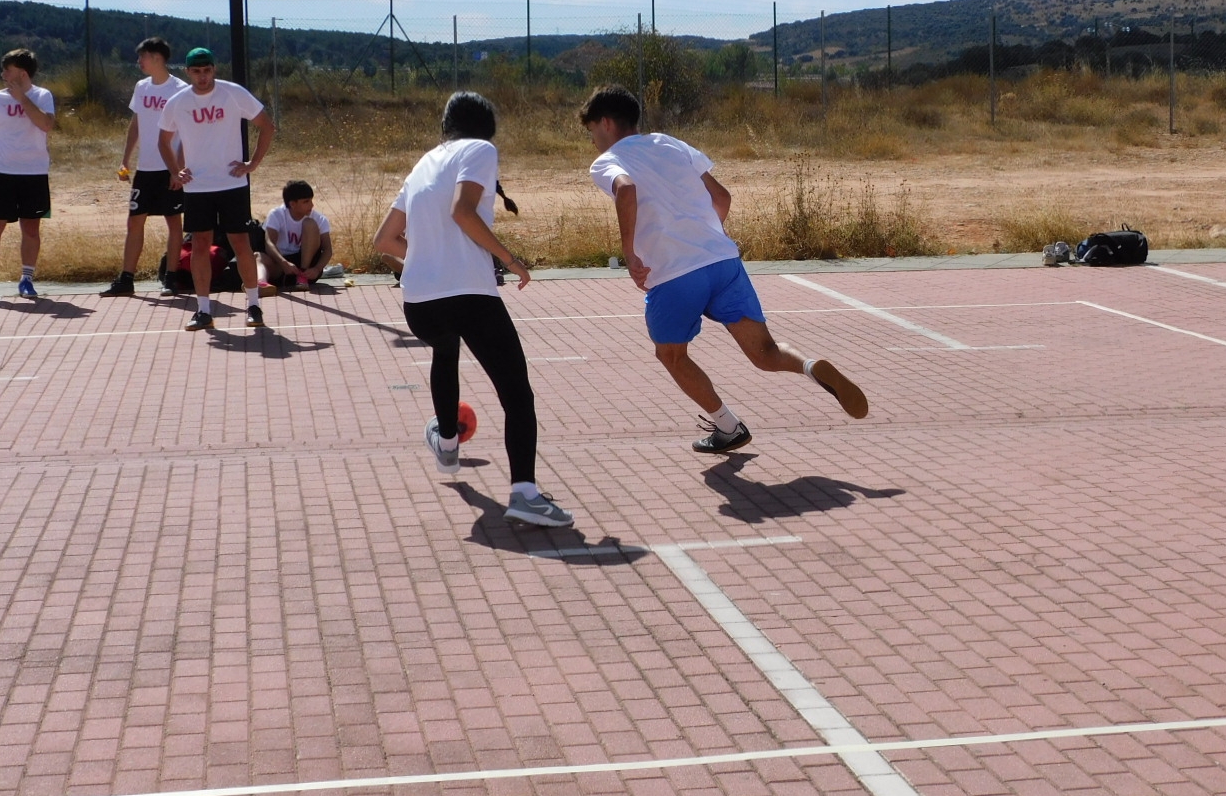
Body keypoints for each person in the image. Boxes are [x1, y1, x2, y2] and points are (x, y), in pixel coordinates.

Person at [580, 84, 868, 453]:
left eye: (591, 131)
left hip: (675, 274)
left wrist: (629, 253)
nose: (593, 141)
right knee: (765, 352)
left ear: (605, 123)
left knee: (671, 355)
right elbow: (721, 197)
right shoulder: (670, 143)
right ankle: (810, 367)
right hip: (723, 262)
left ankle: (728, 427)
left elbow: (626, 190)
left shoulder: (606, 161)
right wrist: (708, 235)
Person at [372, 91, 572, 528]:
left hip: (419, 304)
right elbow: (463, 212)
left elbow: (383, 240)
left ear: (446, 125)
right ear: (487, 127)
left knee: (445, 352)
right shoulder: (480, 149)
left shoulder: (424, 162)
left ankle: (447, 444)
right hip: (470, 296)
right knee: (516, 394)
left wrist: (427, 259)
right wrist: (509, 259)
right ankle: (525, 494)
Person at [156, 47, 275, 331]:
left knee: (241, 243)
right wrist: (175, 170)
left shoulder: (233, 93)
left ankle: (254, 305)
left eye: (207, 70)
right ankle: (203, 310)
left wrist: (252, 163)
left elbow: (267, 126)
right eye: (196, 71)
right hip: (197, 187)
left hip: (232, 182)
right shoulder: (177, 102)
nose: (202, 76)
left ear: (214, 70)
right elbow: (163, 140)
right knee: (200, 244)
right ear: (188, 72)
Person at [101, 37, 187, 297]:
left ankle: (171, 278)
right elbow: (136, 124)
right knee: (134, 222)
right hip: (145, 168)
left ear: (157, 58)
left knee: (174, 222)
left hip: (169, 168)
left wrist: (177, 170)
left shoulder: (180, 89)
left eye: (143, 56)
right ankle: (126, 279)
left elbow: (186, 134)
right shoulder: (142, 87)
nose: (139, 61)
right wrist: (125, 159)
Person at [0, 48, 54, 299]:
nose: (3, 74)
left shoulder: (42, 95)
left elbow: (46, 125)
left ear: (22, 73)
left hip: (34, 174)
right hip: (3, 173)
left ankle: (26, 279)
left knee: (30, 229)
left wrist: (22, 99)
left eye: (7, 70)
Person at [262, 180, 332, 291]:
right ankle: (261, 284)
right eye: (306, 201)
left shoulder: (319, 219)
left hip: (307, 269)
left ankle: (302, 278)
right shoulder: (276, 214)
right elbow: (269, 243)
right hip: (281, 265)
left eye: (311, 200)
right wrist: (283, 263)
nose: (312, 205)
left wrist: (317, 269)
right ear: (292, 204)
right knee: (258, 257)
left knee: (309, 224)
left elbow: (328, 249)